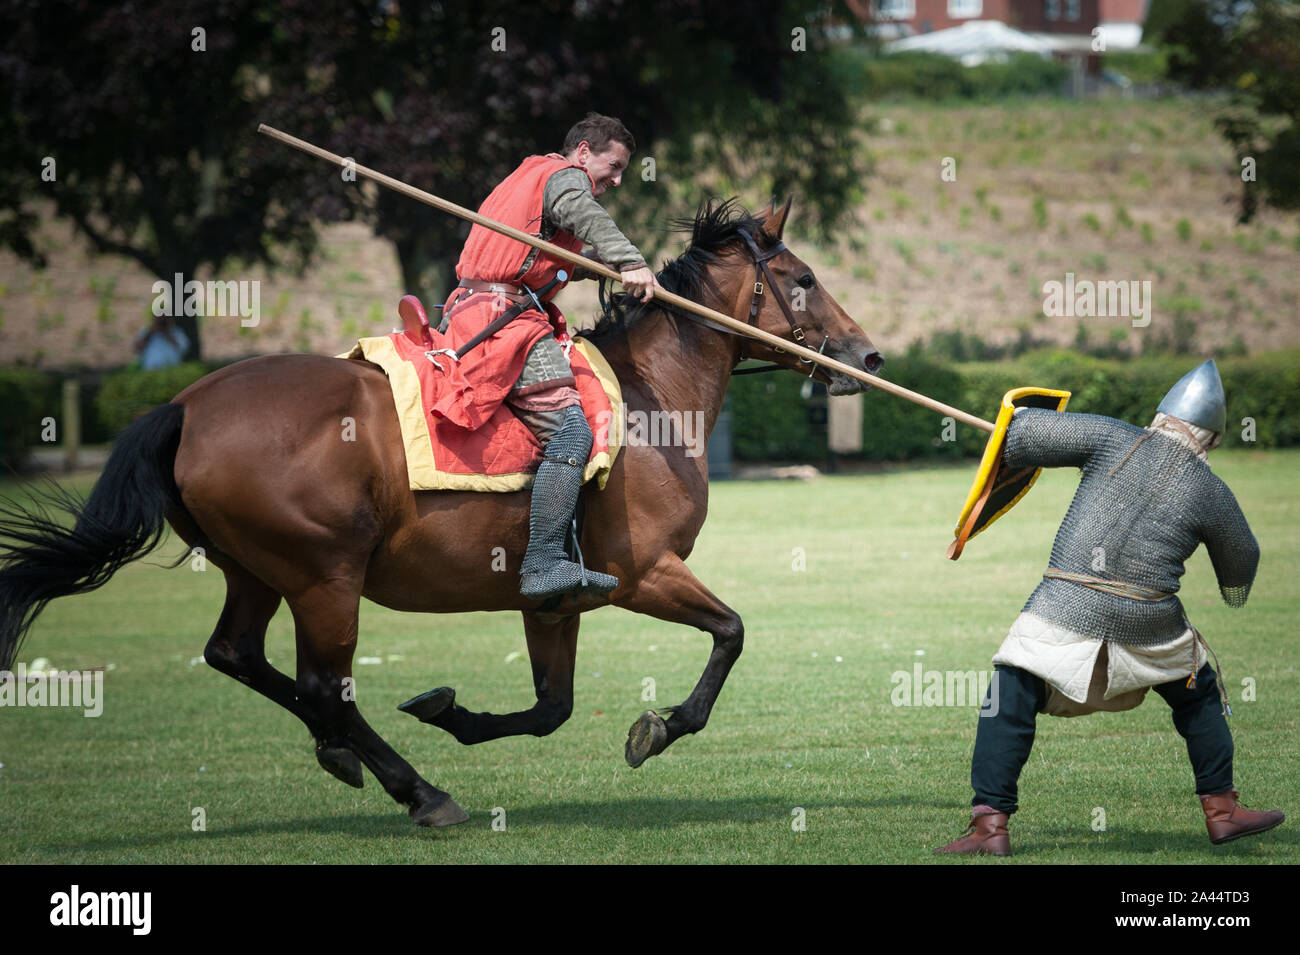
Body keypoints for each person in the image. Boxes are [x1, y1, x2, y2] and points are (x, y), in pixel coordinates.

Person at [935, 360, 1283, 856]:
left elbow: (1021, 436)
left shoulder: (1112, 437)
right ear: (1211, 440)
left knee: (1008, 698)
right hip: (1151, 622)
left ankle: (990, 826)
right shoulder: (1211, 491)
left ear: (1161, 415)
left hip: (1063, 606)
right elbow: (1242, 563)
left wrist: (1017, 426)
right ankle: (1222, 810)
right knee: (1197, 695)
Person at [438, 113, 661, 601]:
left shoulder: (530, 180)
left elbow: (538, 257)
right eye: (614, 165)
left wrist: (597, 267)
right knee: (571, 432)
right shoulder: (564, 179)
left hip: (486, 308)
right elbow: (583, 215)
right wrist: (630, 260)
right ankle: (543, 563)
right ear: (583, 152)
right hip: (502, 321)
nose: (618, 180)